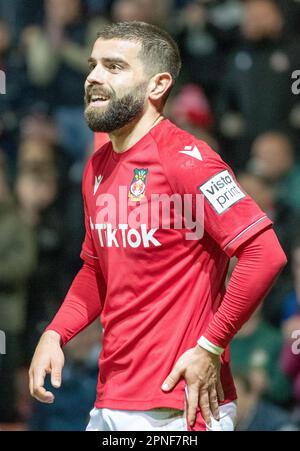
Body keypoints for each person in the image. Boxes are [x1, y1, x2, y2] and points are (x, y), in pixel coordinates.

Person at [29, 21, 287, 432]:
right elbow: (97, 268)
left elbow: (264, 253)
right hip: (111, 399)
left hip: (180, 408)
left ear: (157, 85)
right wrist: (56, 333)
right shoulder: (96, 166)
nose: (94, 76)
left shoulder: (189, 160)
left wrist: (211, 345)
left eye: (114, 66)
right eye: (93, 64)